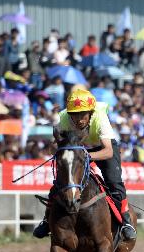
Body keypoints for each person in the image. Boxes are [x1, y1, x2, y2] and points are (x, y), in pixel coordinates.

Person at [33, 88, 137, 241]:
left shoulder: (100, 117)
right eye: (74, 115)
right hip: (78, 150)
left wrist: (85, 155)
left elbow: (108, 151)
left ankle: (126, 222)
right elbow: (52, 147)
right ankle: (47, 220)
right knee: (61, 182)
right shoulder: (64, 120)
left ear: (91, 112)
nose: (79, 119)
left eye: (83, 115)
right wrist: (58, 147)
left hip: (102, 149)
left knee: (114, 182)